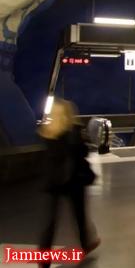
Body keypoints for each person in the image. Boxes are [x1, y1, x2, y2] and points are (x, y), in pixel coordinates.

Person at [38, 98, 100, 267]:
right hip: (73, 180)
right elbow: (82, 154)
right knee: (79, 215)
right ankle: (86, 244)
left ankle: (43, 259)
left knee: (50, 221)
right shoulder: (74, 131)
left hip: (53, 181)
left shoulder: (46, 132)